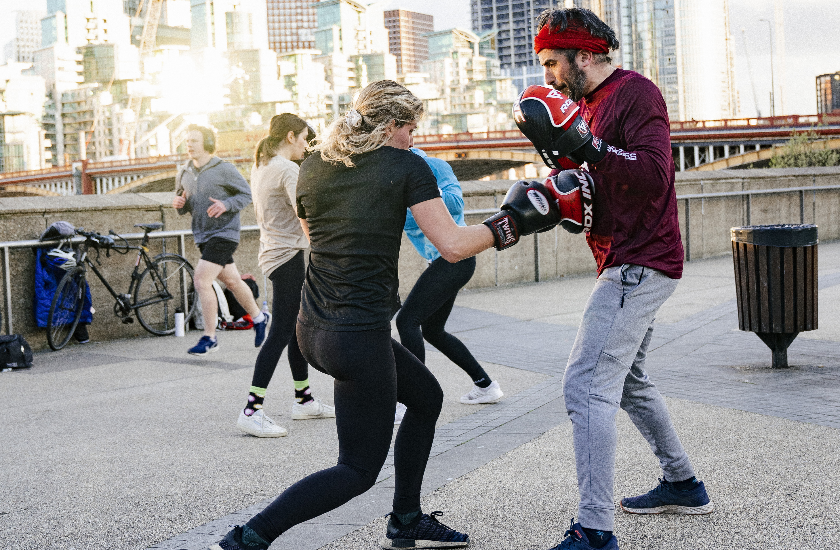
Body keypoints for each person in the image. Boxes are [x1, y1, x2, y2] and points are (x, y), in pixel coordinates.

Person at [209, 80, 566, 550]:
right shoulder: (406, 166)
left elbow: (316, 238)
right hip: (356, 336)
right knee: (356, 469)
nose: (414, 138)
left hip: (313, 328)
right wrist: (513, 221)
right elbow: (453, 246)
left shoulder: (313, 164)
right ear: (390, 125)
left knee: (427, 398)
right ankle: (247, 538)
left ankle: (407, 519)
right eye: (410, 128)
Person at [515, 8, 714, 550]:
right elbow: (596, 184)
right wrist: (556, 191)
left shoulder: (636, 94)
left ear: (583, 55)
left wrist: (589, 148)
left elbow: (654, 173)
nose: (548, 75)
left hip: (640, 260)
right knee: (627, 380)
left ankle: (595, 529)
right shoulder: (583, 106)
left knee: (585, 384)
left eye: (552, 62)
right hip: (620, 256)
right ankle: (683, 483)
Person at [237, 114, 335, 438]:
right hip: (288, 255)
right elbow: (307, 213)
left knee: (294, 329)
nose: (306, 145)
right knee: (280, 331)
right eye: (304, 138)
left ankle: (303, 399)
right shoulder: (287, 169)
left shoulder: (262, 164)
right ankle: (251, 410)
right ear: (291, 136)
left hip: (273, 253)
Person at [395, 147, 503, 422]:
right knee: (433, 330)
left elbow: (455, 203)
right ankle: (486, 386)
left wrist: (422, 189)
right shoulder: (396, 182)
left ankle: (412, 398)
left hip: (457, 256)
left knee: (407, 321)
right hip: (441, 261)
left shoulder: (435, 166)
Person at [172, 124, 269, 356]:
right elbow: (183, 204)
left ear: (207, 143)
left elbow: (246, 194)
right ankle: (259, 318)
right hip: (203, 235)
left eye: (194, 141)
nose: (189, 145)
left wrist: (226, 204)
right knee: (233, 282)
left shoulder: (224, 168)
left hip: (225, 233)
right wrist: (179, 205)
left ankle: (210, 337)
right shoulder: (184, 172)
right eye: (187, 141)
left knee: (201, 280)